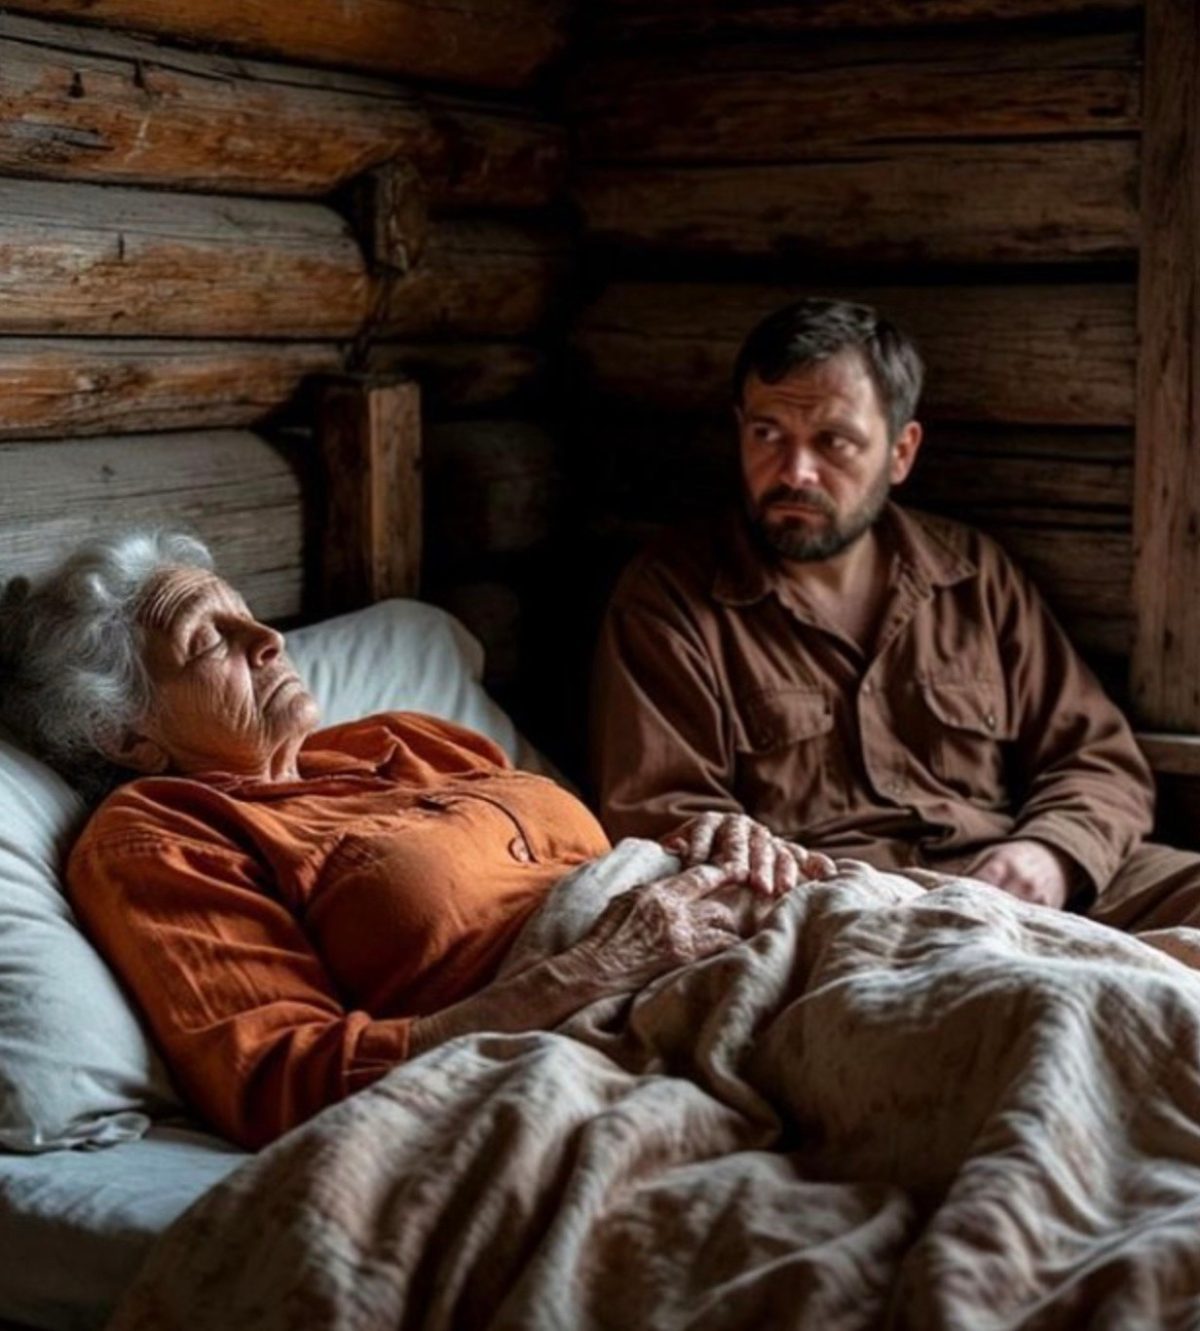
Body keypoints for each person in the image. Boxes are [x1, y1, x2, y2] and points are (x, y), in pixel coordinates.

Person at [0, 532, 831, 1151]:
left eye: (248, 615)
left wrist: (709, 846)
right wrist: (584, 973)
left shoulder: (405, 738)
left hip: (755, 937)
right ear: (127, 736)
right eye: (211, 638)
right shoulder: (161, 835)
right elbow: (287, 1078)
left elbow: (595, 872)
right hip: (627, 1020)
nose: (269, 640)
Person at [591, 297, 1200, 931]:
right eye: (767, 433)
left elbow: (1099, 758)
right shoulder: (669, 599)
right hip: (840, 908)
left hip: (1015, 880)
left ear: (901, 452)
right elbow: (663, 810)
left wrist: (1048, 854)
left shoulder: (973, 576)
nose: (795, 471)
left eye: (833, 441)